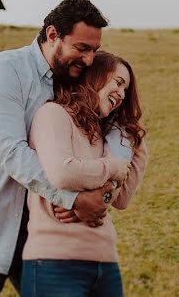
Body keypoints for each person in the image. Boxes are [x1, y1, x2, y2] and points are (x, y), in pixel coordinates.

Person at [0, 0, 130, 296]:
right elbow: (13, 154)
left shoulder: (72, 80)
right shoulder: (3, 72)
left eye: (94, 50)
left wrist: (105, 189)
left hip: (39, 234)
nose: (89, 60)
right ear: (53, 34)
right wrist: (74, 199)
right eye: (81, 48)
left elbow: (110, 126)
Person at [21, 51, 148, 297]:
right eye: (118, 83)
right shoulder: (53, 114)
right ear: (95, 76)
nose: (121, 95)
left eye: (125, 90)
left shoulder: (105, 135)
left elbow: (120, 199)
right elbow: (63, 173)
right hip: (54, 261)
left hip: (105, 261)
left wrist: (136, 143)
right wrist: (113, 167)